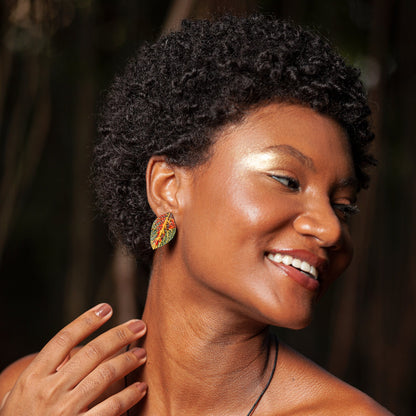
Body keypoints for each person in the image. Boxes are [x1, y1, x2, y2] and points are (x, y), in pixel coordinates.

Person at [0, 14, 393, 415]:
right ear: (168, 188)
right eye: (287, 181)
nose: (330, 229)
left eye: (342, 207)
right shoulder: (31, 394)